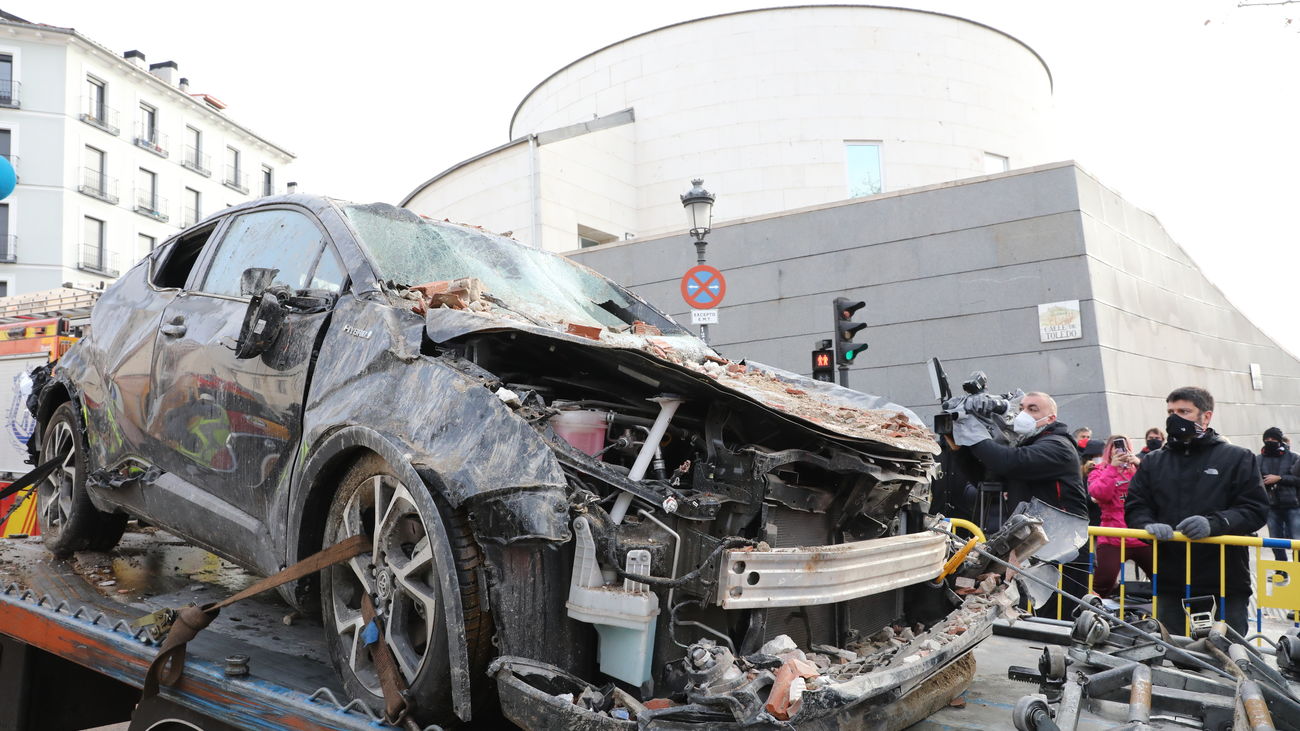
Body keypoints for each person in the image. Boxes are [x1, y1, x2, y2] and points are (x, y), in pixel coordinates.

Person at [1125, 387, 1268, 635]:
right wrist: (1146, 525)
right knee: (1176, 655)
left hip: (1225, 579)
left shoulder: (1237, 457)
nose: (1174, 417)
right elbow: (1136, 506)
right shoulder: (1153, 461)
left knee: (1229, 656)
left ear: (1206, 416)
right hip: (1171, 579)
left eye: (1184, 411)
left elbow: (1254, 509)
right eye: (1170, 411)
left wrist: (1215, 523)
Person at [952, 391, 1090, 616]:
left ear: (1051, 418)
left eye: (1033, 409)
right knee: (1032, 613)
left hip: (1063, 550)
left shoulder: (1058, 446)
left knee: (1059, 619)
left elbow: (1009, 463)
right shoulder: (1029, 446)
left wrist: (972, 432)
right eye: (1022, 407)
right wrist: (960, 448)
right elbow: (987, 478)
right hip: (1035, 546)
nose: (1023, 413)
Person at [1087, 435, 1153, 596]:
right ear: (1109, 451)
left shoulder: (1140, 468)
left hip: (1142, 534)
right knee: (1102, 584)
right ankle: (1090, 615)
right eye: (1115, 448)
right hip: (1112, 537)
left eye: (1123, 447)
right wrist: (1112, 469)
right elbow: (1100, 494)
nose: (1119, 451)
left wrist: (1140, 465)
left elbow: (1159, 488)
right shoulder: (1099, 470)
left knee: (1166, 581)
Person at [1260, 427, 1300, 560]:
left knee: (1296, 539)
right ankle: (1281, 570)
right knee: (1275, 540)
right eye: (1267, 439)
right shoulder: (1258, 459)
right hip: (1271, 505)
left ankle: (1297, 568)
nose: (1269, 441)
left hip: (1293, 505)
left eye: (1273, 439)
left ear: (1279, 440)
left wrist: (1280, 478)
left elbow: (1297, 479)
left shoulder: (1294, 457)